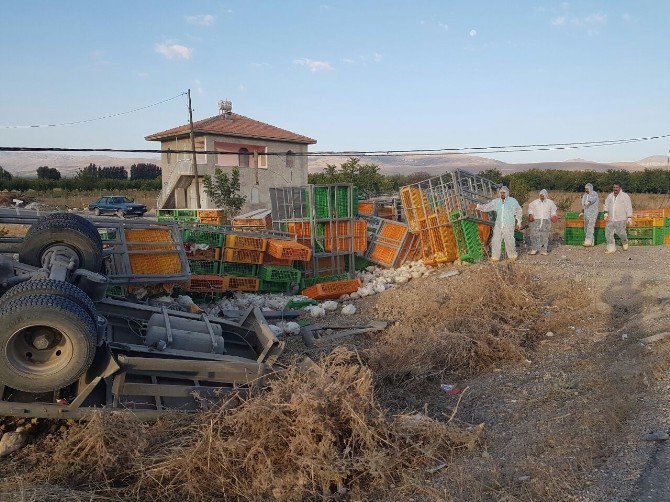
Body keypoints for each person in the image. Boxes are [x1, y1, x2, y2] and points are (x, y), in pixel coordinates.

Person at [476, 186, 522, 262]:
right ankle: (495, 257)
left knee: (509, 240)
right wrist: (478, 207)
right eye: (501, 193)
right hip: (498, 224)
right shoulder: (496, 201)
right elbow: (487, 207)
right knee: (495, 240)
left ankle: (512, 256)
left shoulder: (513, 201)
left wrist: (519, 222)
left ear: (507, 193)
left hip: (509, 224)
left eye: (504, 193)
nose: (502, 194)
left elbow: (519, 211)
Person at [603, 182, 633, 253]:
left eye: (617, 187)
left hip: (621, 218)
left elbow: (628, 206)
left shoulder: (625, 196)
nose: (615, 189)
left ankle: (625, 242)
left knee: (621, 233)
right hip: (611, 218)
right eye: (614, 187)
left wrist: (629, 217)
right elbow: (606, 205)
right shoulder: (610, 196)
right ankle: (611, 248)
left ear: (620, 188)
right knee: (608, 233)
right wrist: (605, 213)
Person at [527, 189, 558, 255]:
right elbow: (530, 208)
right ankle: (534, 249)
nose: (542, 197)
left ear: (546, 195)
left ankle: (543, 250)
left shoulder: (550, 202)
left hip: (546, 220)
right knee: (534, 234)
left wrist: (553, 216)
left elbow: (553, 210)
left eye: (543, 195)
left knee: (544, 235)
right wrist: (530, 214)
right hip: (536, 220)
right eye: (541, 195)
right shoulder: (535, 202)